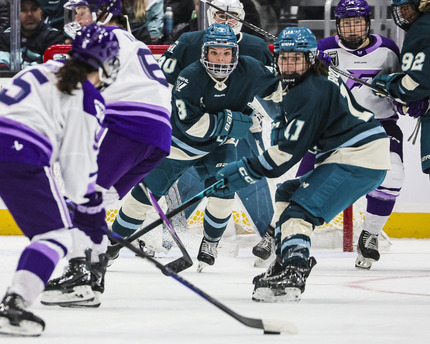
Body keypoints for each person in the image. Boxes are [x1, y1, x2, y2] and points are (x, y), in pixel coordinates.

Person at [216, 26, 390, 302]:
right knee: (287, 192)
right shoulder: (307, 83)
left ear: (310, 59)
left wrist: (241, 171)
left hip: (358, 157)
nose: (289, 64)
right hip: (349, 154)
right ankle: (284, 260)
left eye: (296, 58)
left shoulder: (308, 90)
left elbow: (285, 156)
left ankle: (295, 269)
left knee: (300, 210)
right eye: (284, 58)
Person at [110, 23, 278, 272]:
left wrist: (311, 78)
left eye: (226, 53)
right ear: (205, 53)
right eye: (214, 52)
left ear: (235, 53)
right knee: (143, 198)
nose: (220, 59)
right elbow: (192, 127)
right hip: (179, 146)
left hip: (220, 146)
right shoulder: (189, 77)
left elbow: (280, 88)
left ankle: (209, 243)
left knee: (223, 192)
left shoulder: (251, 69)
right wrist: (232, 121)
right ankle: (111, 244)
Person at [40, 0, 171, 308]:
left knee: (80, 199)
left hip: (128, 124)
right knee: (96, 201)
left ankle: (81, 274)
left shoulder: (106, 37)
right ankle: (93, 274)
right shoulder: (130, 41)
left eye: (83, 10)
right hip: (157, 136)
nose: (78, 18)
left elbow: (73, 79)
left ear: (104, 10)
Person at [0, 24, 119, 336]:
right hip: (18, 154)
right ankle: (15, 305)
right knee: (55, 236)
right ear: (108, 64)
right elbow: (78, 177)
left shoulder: (39, 70)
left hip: (9, 145)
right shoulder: (86, 95)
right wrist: (93, 217)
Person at [287, 0, 404, 270]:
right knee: (303, 182)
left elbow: (400, 88)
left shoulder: (388, 49)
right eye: (346, 23)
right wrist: (317, 70)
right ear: (338, 24)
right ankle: (279, 234)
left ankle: (370, 235)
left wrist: (399, 95)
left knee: (394, 175)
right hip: (333, 126)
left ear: (367, 23)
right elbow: (301, 88)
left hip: (380, 125)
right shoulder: (324, 48)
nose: (352, 28)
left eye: (358, 22)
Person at [157, 0, 276, 255]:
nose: (226, 20)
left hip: (242, 126)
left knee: (250, 176)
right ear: (211, 16)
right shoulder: (190, 41)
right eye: (220, 14)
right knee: (190, 180)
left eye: (232, 15)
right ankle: (171, 233)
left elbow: (273, 89)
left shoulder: (255, 46)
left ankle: (268, 234)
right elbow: (161, 78)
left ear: (242, 17)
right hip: (196, 131)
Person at [372, 1, 430, 175]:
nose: (403, 15)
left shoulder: (423, 27)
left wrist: (390, 85)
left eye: (405, 8)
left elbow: (416, 83)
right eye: (400, 9)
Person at [0, 0, 66, 71]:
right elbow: (2, 68)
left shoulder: (54, 36)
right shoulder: (5, 36)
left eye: (34, 9)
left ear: (41, 12)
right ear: (15, 13)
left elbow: (55, 69)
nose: (29, 14)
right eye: (23, 10)